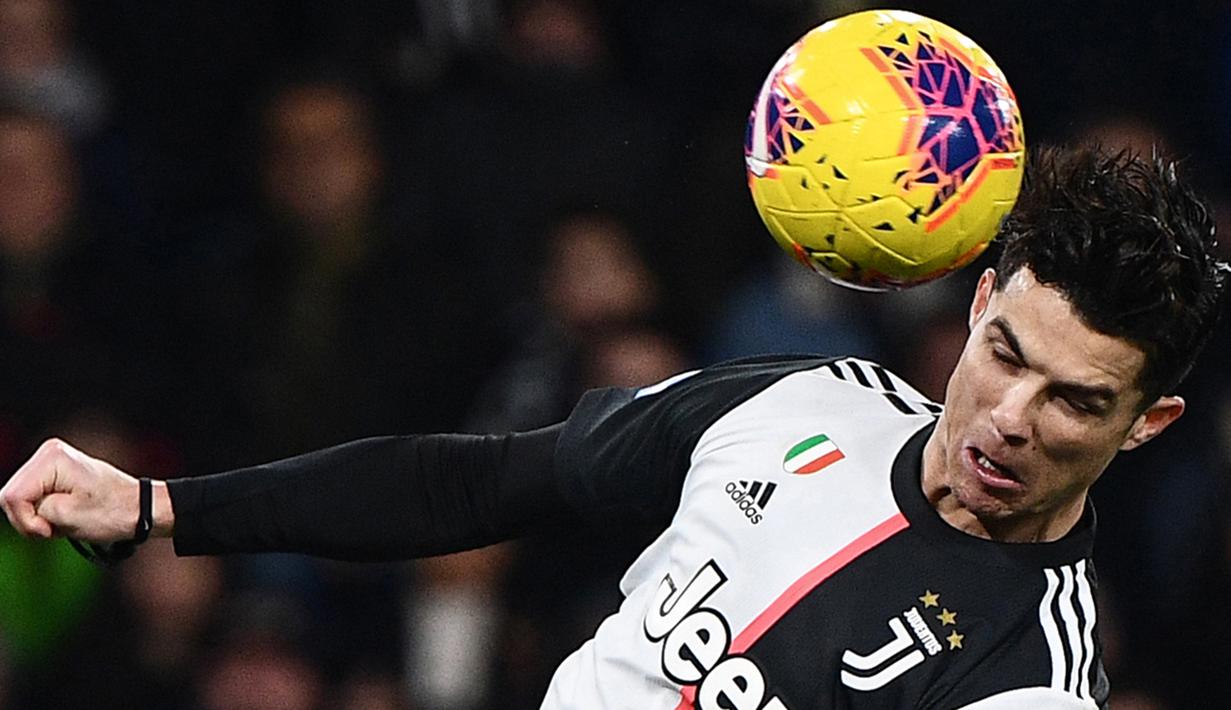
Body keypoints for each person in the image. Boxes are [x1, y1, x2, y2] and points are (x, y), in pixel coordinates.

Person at [1, 144, 1226, 709]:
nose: (1009, 415)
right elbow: (473, 487)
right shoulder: (803, 404)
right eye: (1004, 353)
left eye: (1073, 398)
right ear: (974, 303)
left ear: (1145, 422)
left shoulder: (1029, 676)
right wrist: (166, 506)